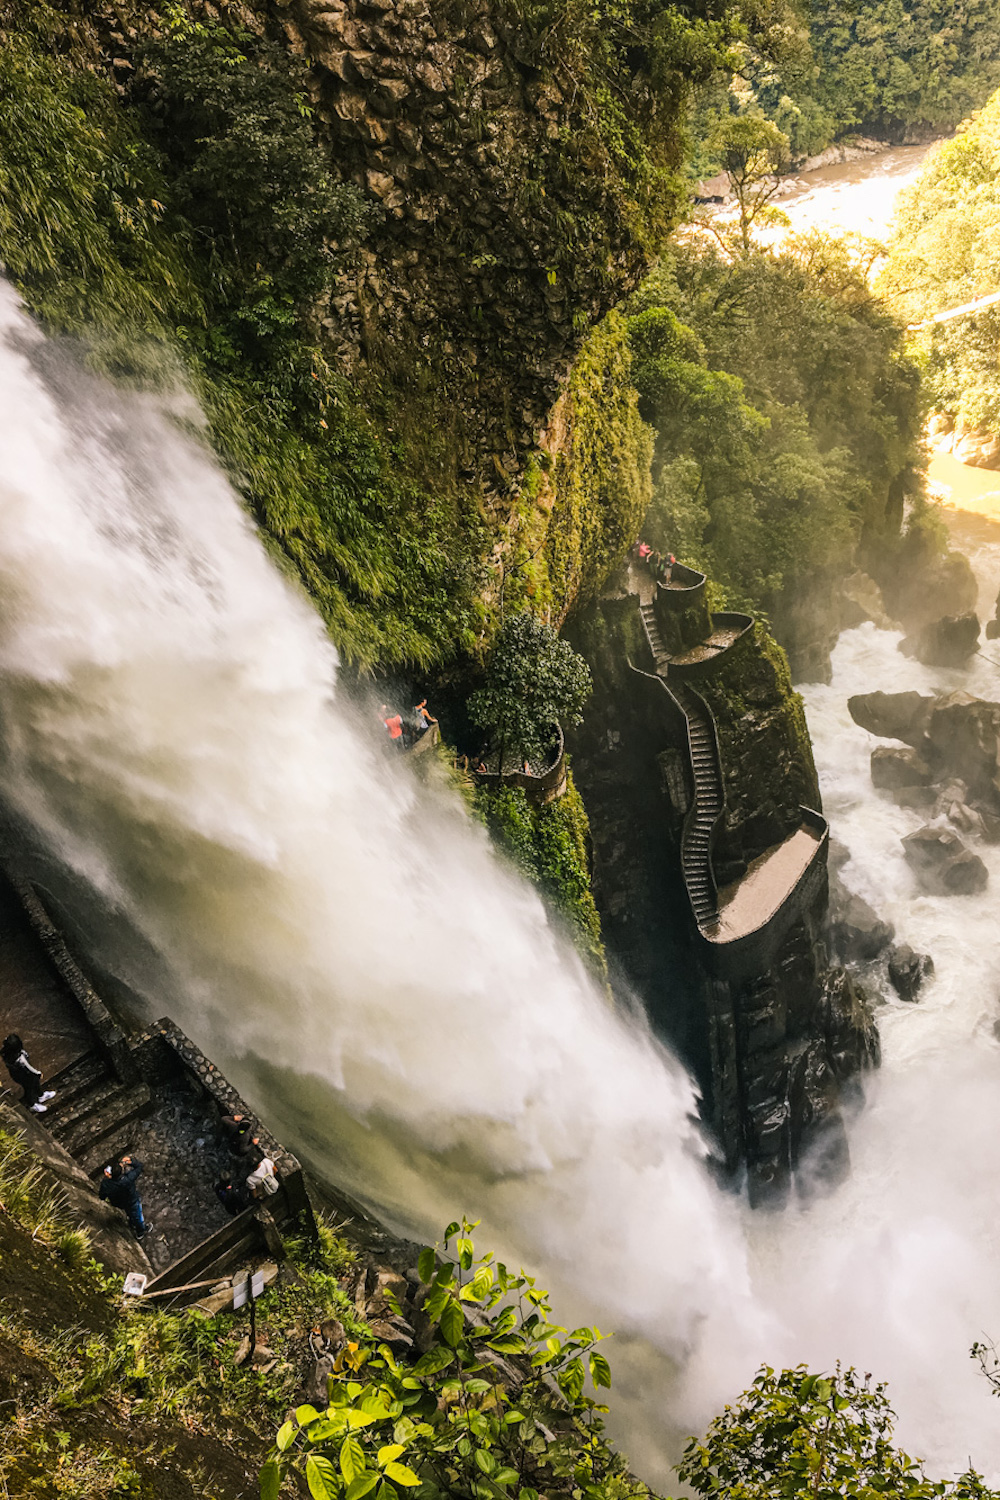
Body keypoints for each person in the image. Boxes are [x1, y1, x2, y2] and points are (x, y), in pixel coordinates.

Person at [1, 1034, 55, 1114]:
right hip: (26, 1074)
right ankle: (32, 1104)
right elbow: (29, 1067)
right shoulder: (20, 1058)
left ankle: (41, 1095)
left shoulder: (5, 1053)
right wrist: (38, 1073)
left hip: (15, 1075)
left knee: (34, 1084)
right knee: (29, 1089)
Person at [100, 1154, 150, 1239]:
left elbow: (102, 1197)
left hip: (120, 1203)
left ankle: (131, 1222)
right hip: (132, 1200)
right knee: (137, 1215)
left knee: (129, 1212)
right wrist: (130, 1161)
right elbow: (139, 1167)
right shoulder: (128, 1179)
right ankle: (140, 1231)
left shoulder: (106, 1184)